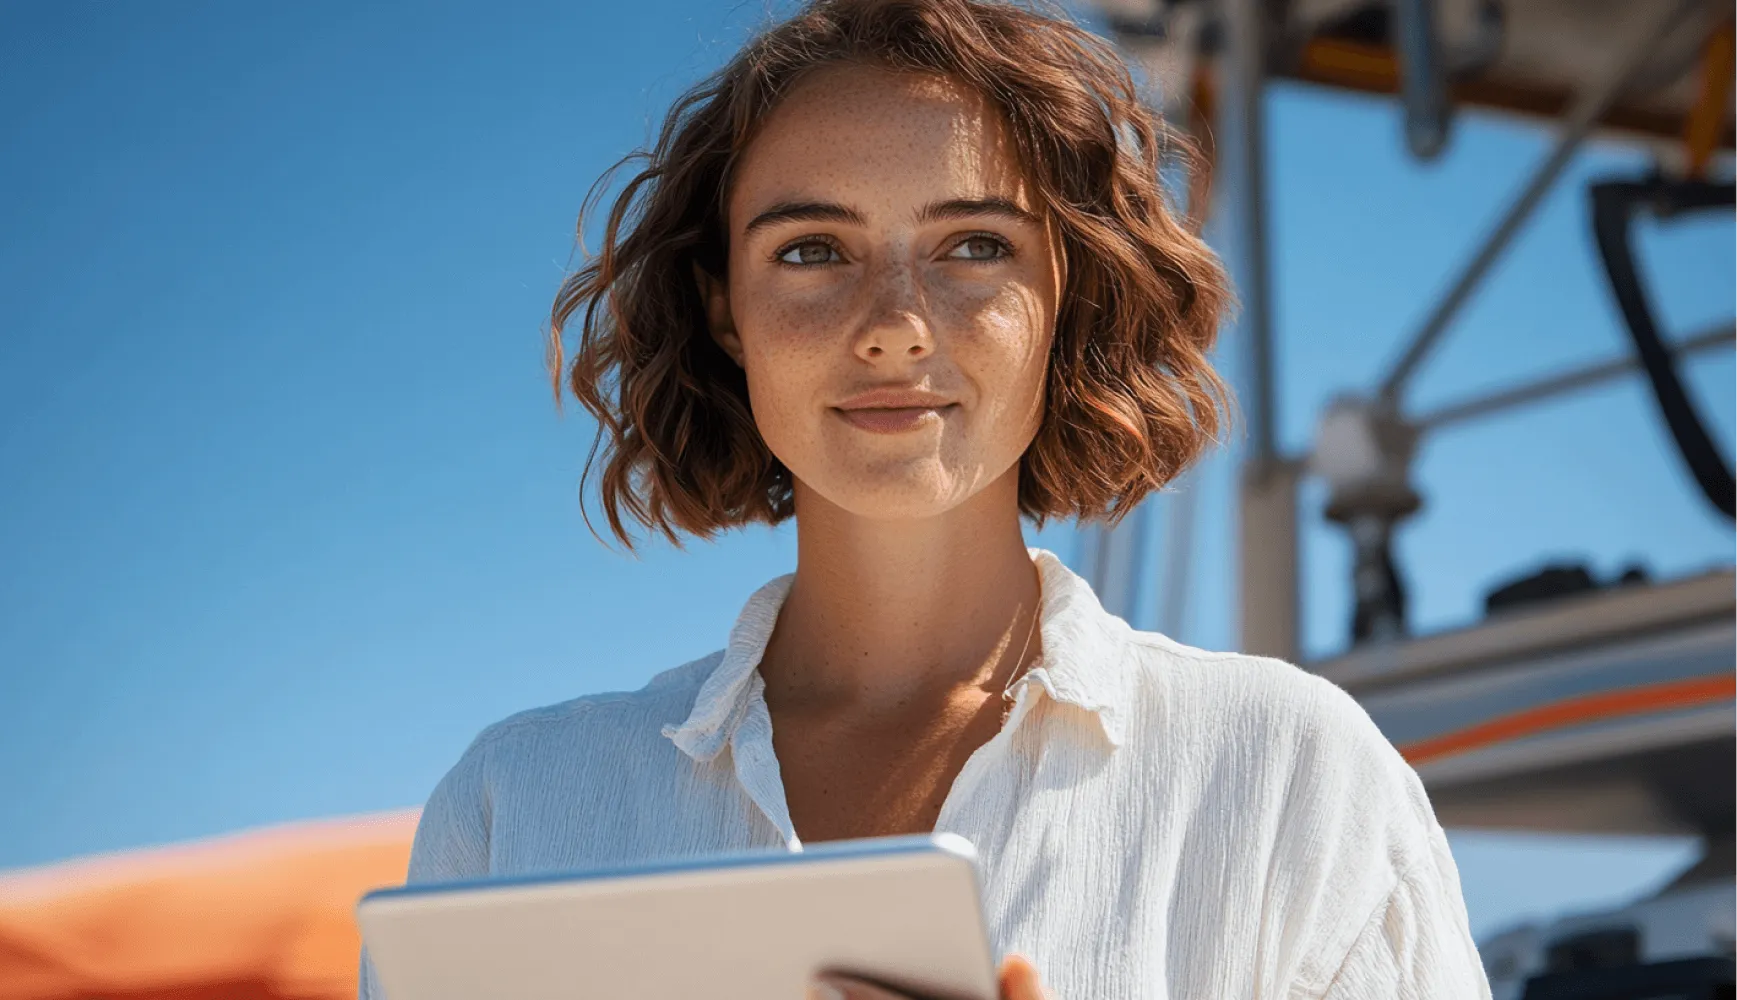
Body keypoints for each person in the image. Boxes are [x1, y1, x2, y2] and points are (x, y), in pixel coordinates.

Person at [361, 0, 1492, 996]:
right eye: (811, 250)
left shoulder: (1292, 778)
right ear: (724, 311)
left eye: (972, 245)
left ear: (1066, 294)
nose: (895, 318)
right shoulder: (517, 809)